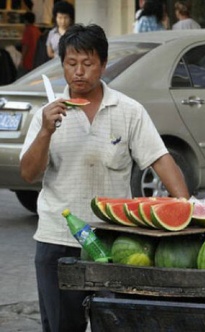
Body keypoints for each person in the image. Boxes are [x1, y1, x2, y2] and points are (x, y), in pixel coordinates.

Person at [19, 23, 190, 332]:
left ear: (103, 64)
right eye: (71, 64)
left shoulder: (128, 110)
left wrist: (186, 208)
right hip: (58, 240)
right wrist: (46, 130)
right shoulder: (47, 114)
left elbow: (160, 159)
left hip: (112, 240)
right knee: (60, 326)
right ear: (63, 66)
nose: (79, 72)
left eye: (88, 63)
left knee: (115, 325)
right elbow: (29, 173)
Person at [19, 11, 41, 77]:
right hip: (36, 58)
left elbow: (25, 45)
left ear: (26, 20)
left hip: (28, 58)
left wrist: (22, 59)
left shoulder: (27, 30)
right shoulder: (37, 30)